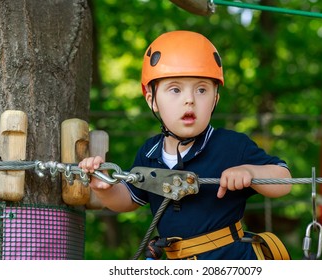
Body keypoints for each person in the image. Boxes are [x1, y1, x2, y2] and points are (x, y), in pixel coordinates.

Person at [79, 30, 292, 260]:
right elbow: (129, 199)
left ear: (215, 99)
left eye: (201, 90)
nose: (189, 99)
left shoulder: (231, 145)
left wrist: (250, 172)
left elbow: (284, 180)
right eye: (175, 89)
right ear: (152, 99)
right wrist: (106, 188)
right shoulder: (150, 153)